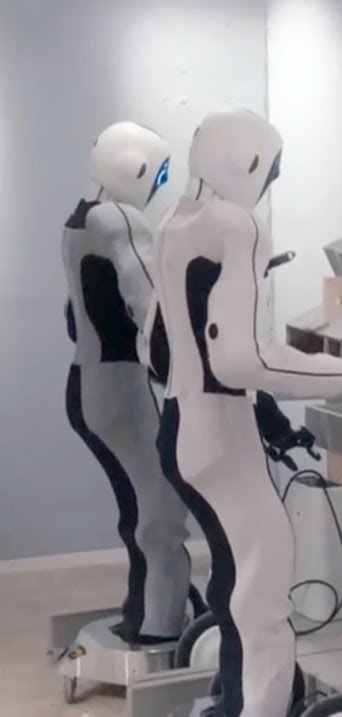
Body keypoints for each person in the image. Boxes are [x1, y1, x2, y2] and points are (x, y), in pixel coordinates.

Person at [153, 107, 342, 717]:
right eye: (271, 171)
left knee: (236, 578)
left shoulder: (176, 222)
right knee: (262, 589)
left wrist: (268, 420)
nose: (270, 185)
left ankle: (238, 699)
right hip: (220, 436)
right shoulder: (238, 227)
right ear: (249, 163)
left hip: (182, 426)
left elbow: (160, 347)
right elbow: (242, 359)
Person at [62, 121, 199, 644]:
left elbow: (74, 315)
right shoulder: (120, 219)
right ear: (136, 168)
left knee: (135, 506)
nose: (160, 185)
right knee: (162, 513)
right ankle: (162, 626)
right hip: (120, 388)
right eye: (159, 175)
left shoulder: (78, 220)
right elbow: (152, 314)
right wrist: (190, 375)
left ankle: (141, 606)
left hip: (84, 382)